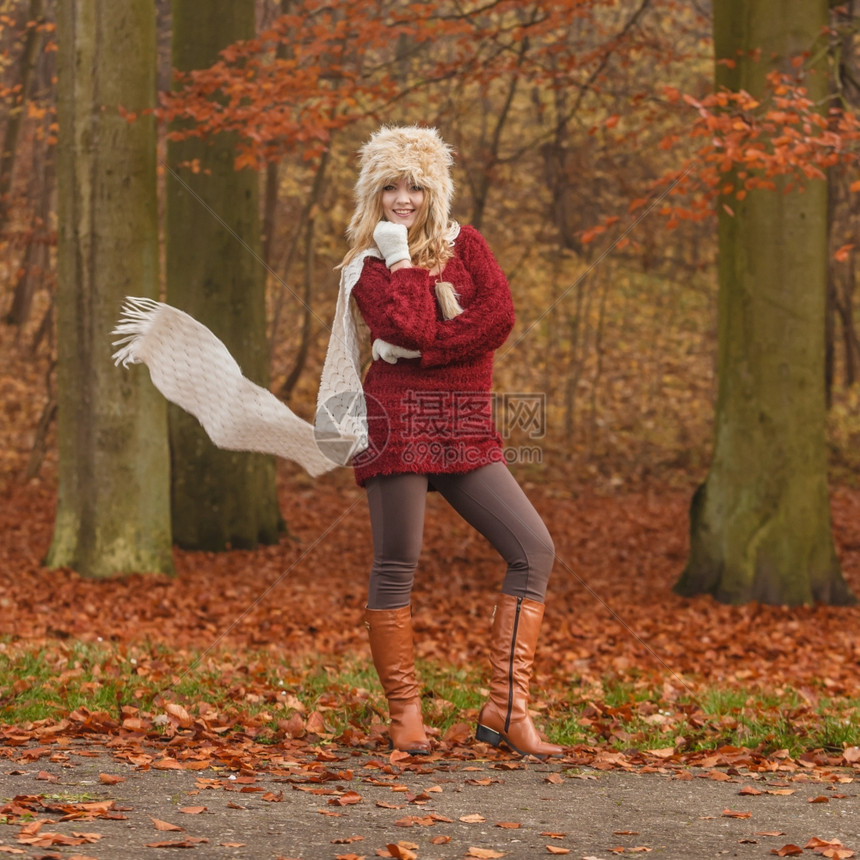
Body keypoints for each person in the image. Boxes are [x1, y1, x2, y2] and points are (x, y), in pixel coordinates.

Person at [340, 125, 561, 758]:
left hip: (465, 423)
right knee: (397, 561)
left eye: (415, 186)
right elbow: (400, 322)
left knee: (533, 549)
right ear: (374, 193)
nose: (403, 199)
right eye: (390, 187)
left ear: (435, 188)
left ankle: (507, 709)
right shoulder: (368, 265)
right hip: (396, 417)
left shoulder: (470, 246)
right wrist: (403, 261)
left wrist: (424, 349)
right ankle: (405, 715)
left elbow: (500, 319)